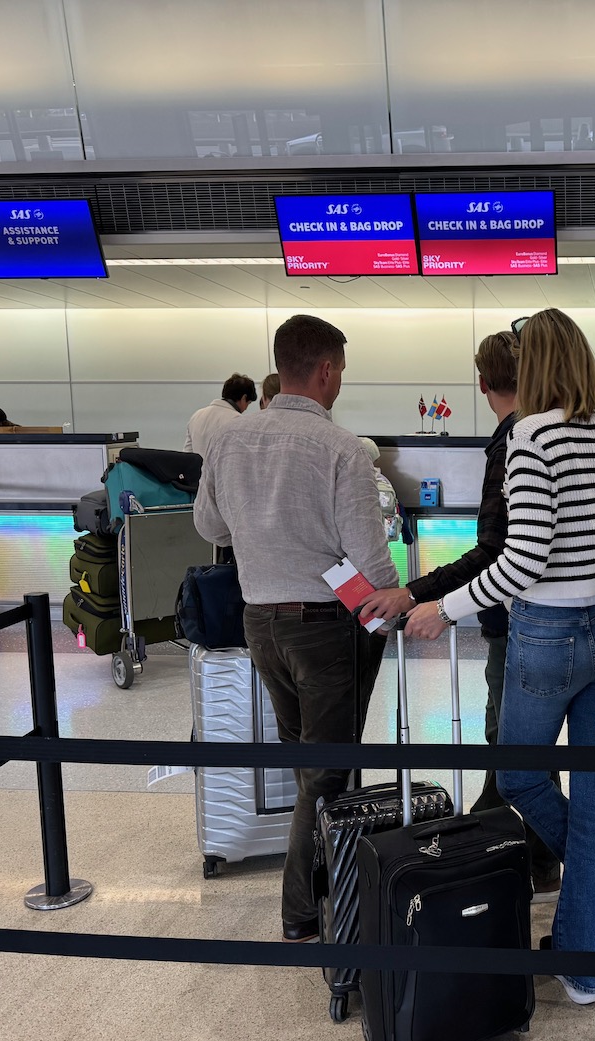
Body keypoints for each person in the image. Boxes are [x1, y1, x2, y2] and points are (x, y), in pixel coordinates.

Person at [400, 308, 595, 1006]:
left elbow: (524, 558)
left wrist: (445, 607)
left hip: (547, 633)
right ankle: (593, 954)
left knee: (519, 775)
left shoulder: (531, 434)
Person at [193, 315, 396, 944]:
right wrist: (396, 600)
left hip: (261, 623)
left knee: (306, 764)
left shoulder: (228, 440)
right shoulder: (343, 449)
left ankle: (334, 876)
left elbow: (209, 528)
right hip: (327, 627)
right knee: (326, 772)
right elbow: (368, 555)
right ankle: (302, 911)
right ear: (327, 369)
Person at [355, 330, 563, 899]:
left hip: (518, 624)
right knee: (526, 756)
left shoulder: (515, 440)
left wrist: (429, 598)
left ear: (482, 383)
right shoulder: (560, 431)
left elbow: (500, 549)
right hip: (567, 624)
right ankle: (524, 856)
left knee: (512, 753)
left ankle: (483, 850)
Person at [185, 373, 257, 458]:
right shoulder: (237, 420)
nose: (246, 409)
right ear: (244, 398)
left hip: (196, 471)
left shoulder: (196, 416)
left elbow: (187, 455)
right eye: (248, 403)